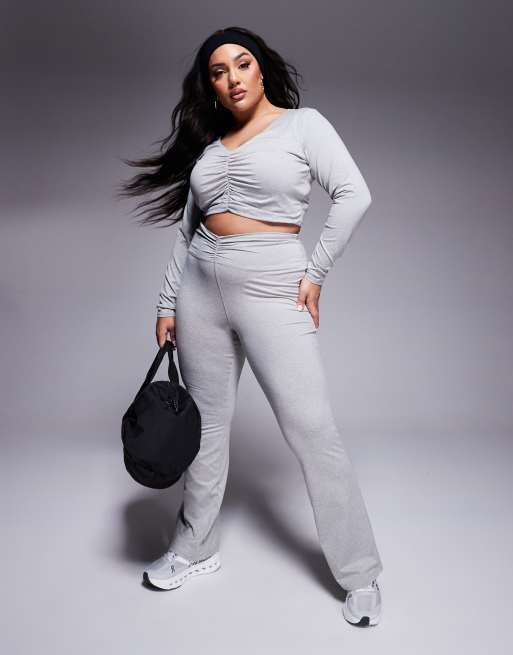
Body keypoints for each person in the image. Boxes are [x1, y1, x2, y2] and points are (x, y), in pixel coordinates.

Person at [118, 26, 384, 627]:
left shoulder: (303, 126)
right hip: (199, 291)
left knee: (311, 428)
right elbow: (187, 231)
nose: (233, 77)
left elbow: (354, 194)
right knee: (206, 429)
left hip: (272, 285)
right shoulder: (210, 148)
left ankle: (360, 571)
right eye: (219, 71)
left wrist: (316, 273)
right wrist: (166, 303)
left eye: (242, 64)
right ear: (210, 86)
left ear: (262, 69)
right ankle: (195, 546)